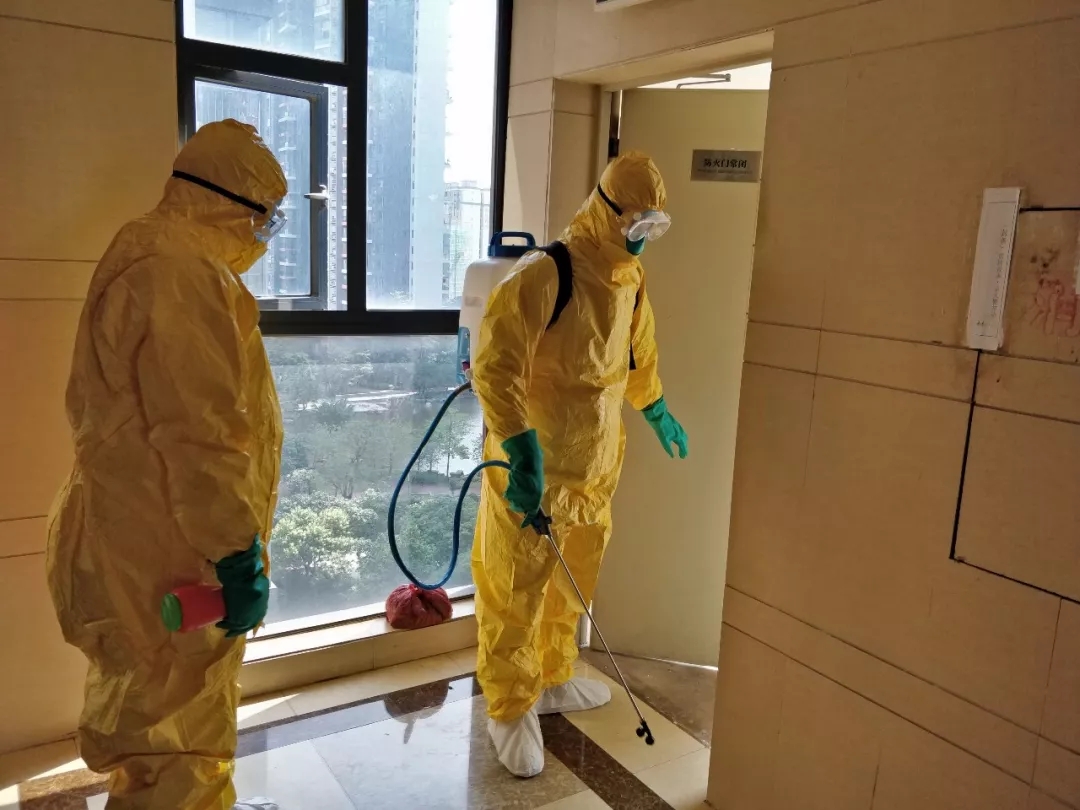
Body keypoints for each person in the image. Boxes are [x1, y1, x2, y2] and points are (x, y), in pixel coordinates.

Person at [46, 119, 287, 810]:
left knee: (158, 723)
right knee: (178, 735)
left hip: (137, 532)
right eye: (266, 217)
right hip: (173, 547)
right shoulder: (182, 273)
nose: (265, 233)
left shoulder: (148, 248)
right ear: (235, 203)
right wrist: (235, 554)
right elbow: (201, 436)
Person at [470, 151, 689, 777]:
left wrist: (657, 409)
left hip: (594, 473)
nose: (643, 236)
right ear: (606, 210)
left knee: (574, 582)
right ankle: (510, 706)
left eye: (654, 225)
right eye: (636, 222)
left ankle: (554, 674)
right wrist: (519, 450)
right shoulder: (547, 273)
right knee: (515, 587)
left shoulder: (630, 280)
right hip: (533, 473)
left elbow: (637, 356)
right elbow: (496, 367)